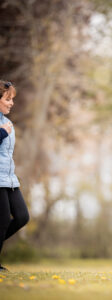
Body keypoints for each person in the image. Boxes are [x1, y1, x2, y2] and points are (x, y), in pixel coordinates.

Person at [0, 80, 29, 272]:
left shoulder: (8, 122)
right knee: (1, 222)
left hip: (9, 179)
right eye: (7, 99)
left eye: (12, 99)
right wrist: (1, 133)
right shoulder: (5, 127)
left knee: (22, 217)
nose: (11, 103)